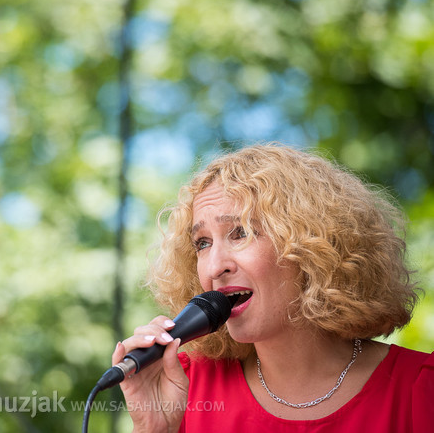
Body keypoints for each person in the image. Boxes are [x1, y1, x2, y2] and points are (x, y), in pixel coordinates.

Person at [112, 143, 433, 432]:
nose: (214, 266)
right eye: (203, 243)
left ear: (312, 245)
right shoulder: (186, 387)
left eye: (240, 233)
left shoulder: (420, 389)